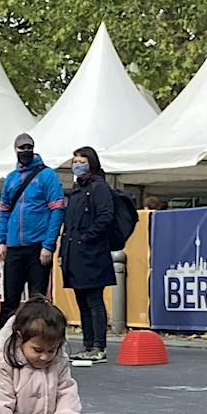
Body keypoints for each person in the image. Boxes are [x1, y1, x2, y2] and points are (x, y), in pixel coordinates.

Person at [59, 145, 137, 365]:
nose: (77, 164)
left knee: (94, 300)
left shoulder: (98, 187)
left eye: (82, 160)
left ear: (91, 162)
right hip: (74, 252)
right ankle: (87, 344)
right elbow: (69, 224)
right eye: (74, 160)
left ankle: (99, 346)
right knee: (82, 300)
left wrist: (87, 237)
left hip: (92, 252)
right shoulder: (75, 190)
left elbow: (105, 215)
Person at [0, 133, 66, 326]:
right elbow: (4, 211)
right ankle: (3, 344)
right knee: (10, 299)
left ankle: (38, 339)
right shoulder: (10, 179)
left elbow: (57, 210)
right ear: (15, 150)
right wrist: (1, 240)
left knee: (38, 301)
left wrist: (48, 245)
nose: (25, 151)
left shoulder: (47, 175)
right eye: (21, 148)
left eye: (29, 147)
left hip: (38, 246)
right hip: (14, 247)